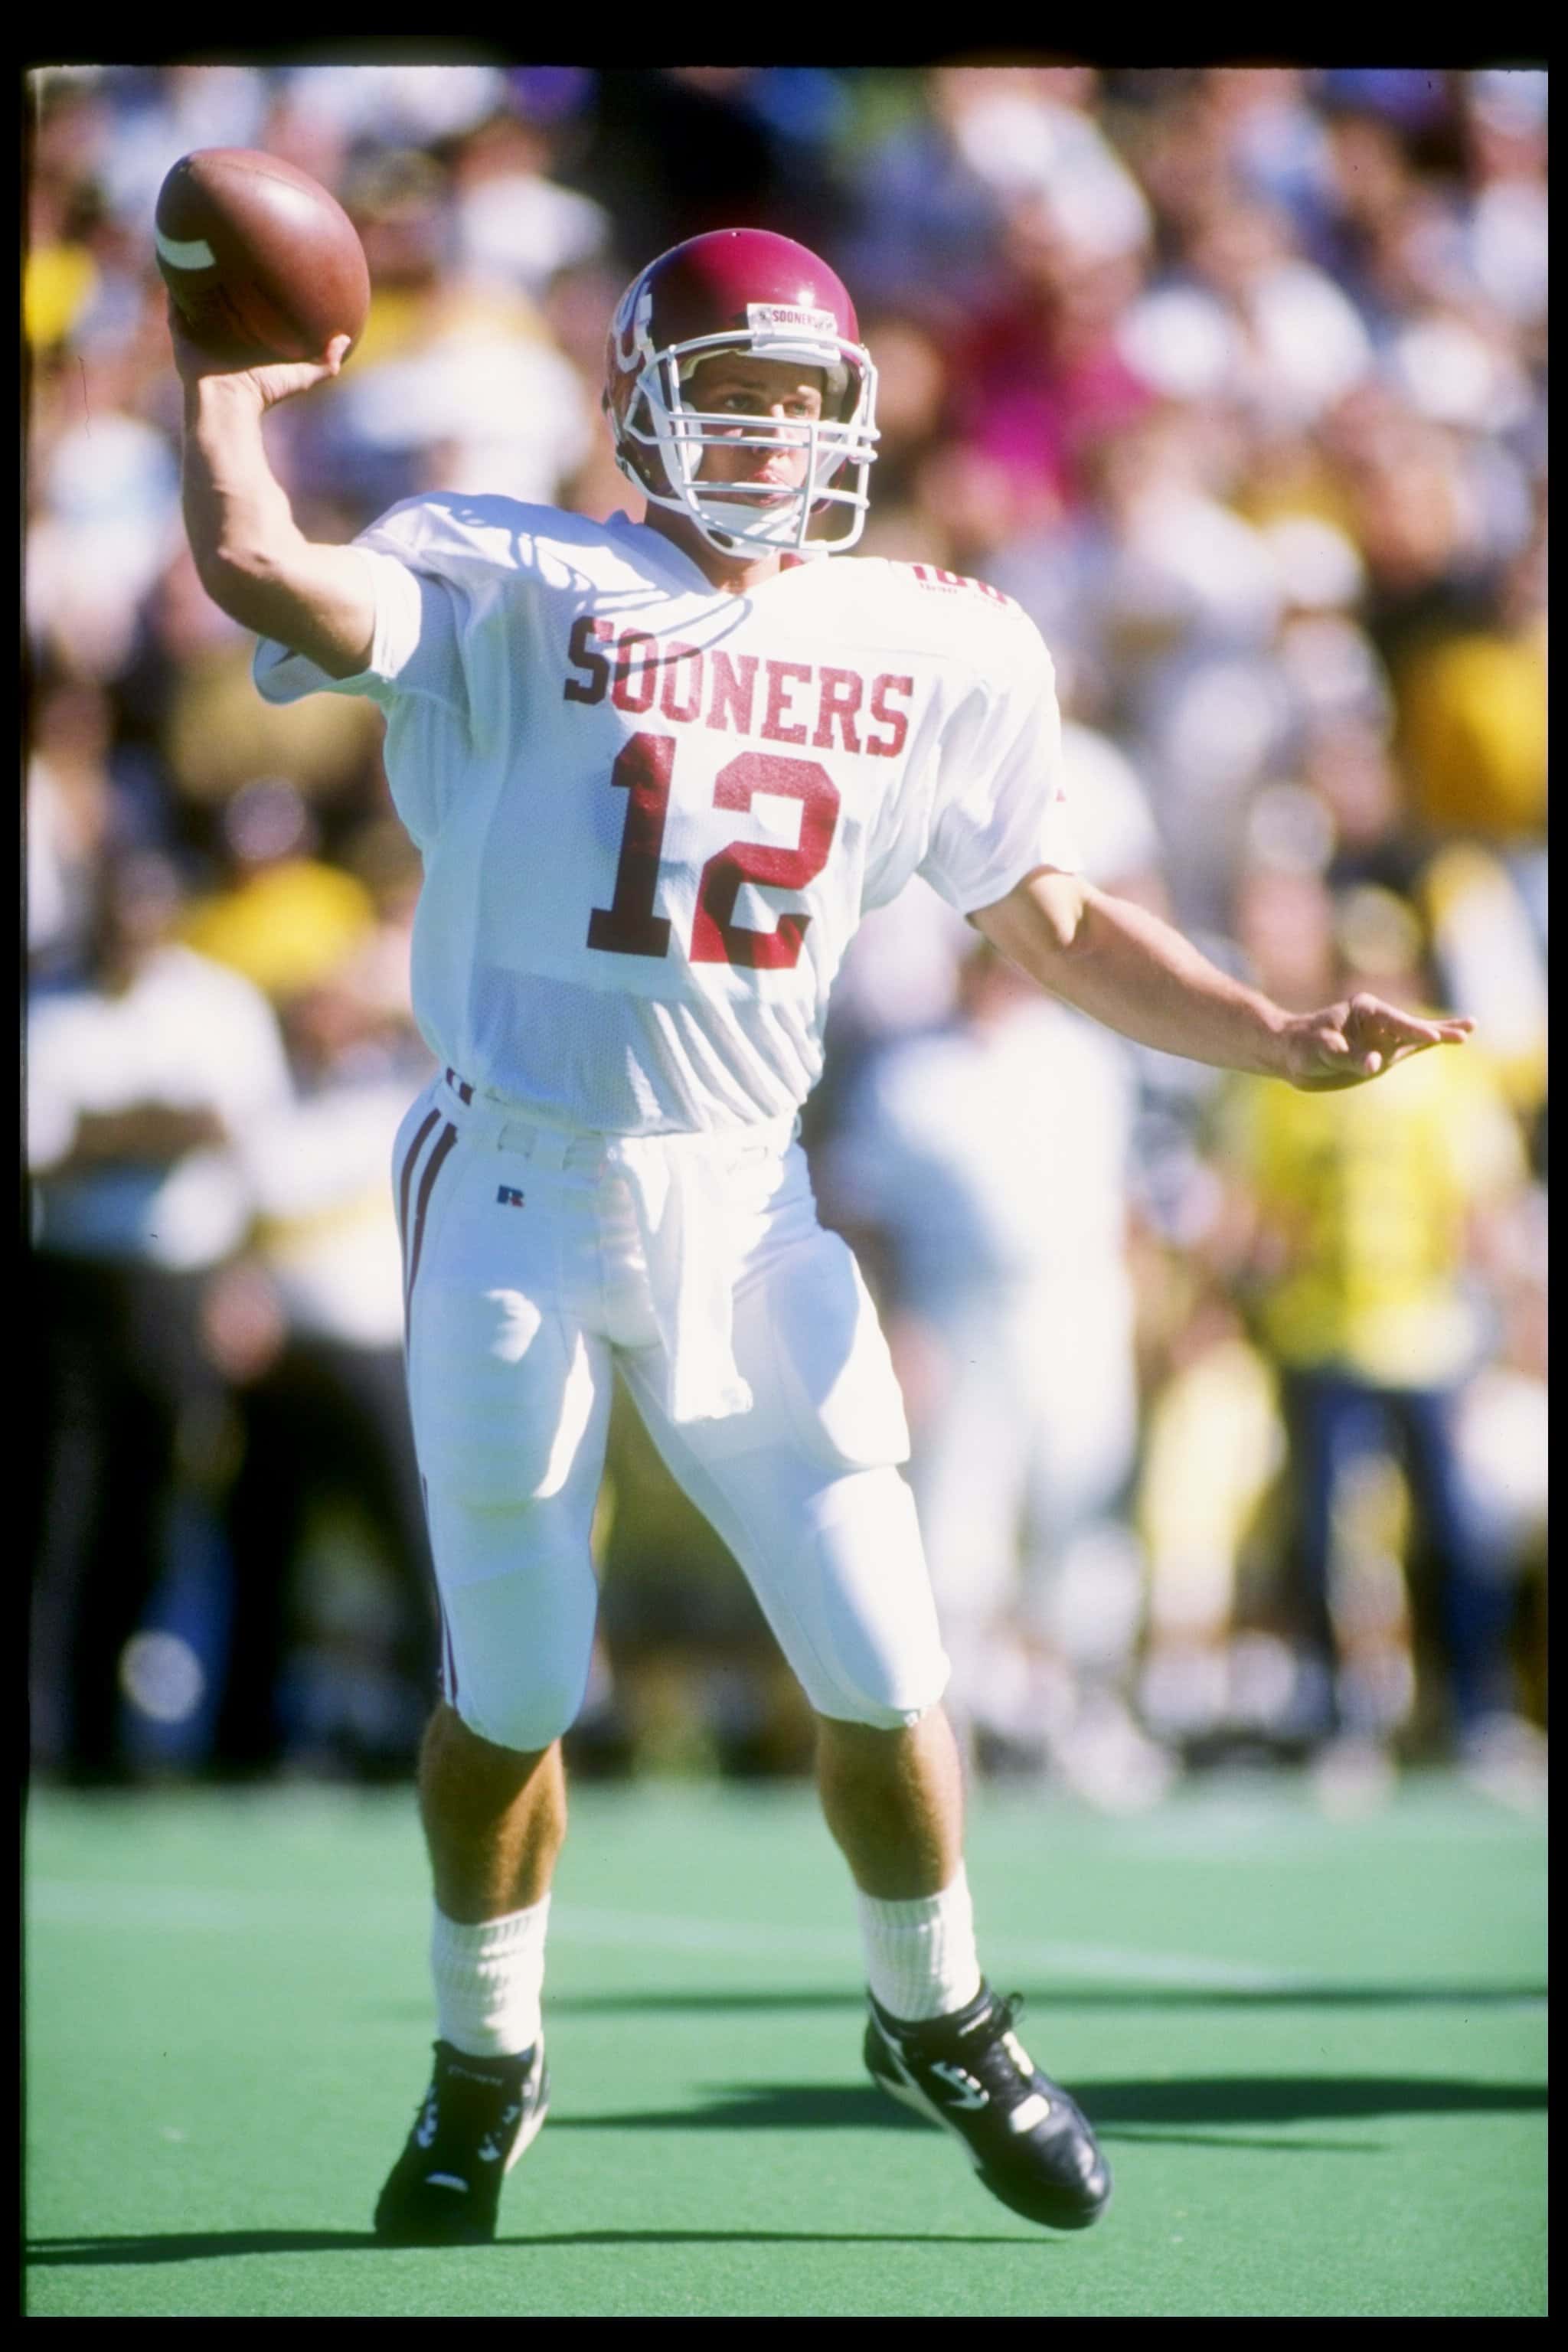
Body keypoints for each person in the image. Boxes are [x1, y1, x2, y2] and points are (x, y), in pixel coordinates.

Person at [172, 224, 1472, 2246]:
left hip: (749, 1188)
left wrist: (1268, 1033)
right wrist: (227, 386)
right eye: (735, 394)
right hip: (510, 1169)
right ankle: (484, 2065)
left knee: (887, 1652)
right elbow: (266, 575)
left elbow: (1044, 917)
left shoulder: (936, 636)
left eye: (806, 399)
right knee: (508, 1685)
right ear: (634, 404)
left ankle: (939, 2011)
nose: (774, 436)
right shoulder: (510, 570)